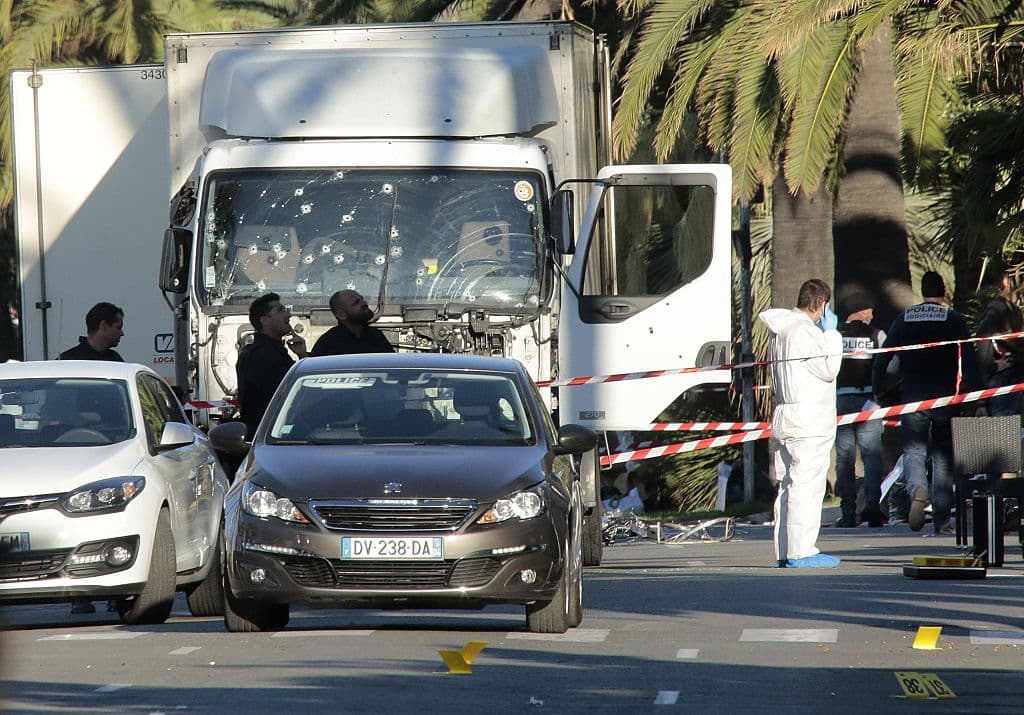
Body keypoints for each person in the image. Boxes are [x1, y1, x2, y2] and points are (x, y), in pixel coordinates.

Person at [872, 271, 980, 534]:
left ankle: (918, 489)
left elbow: (883, 357)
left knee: (914, 452)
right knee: (943, 456)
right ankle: (942, 520)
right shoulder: (953, 319)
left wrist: (879, 391)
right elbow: (969, 357)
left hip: (912, 398)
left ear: (922, 291)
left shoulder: (905, 318)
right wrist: (976, 394)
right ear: (943, 293)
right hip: (945, 397)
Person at [759, 279, 844, 568]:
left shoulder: (781, 331)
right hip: (808, 420)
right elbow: (829, 367)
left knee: (788, 486)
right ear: (821, 304)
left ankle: (785, 551)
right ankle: (802, 551)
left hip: (786, 416)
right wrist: (831, 333)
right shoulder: (804, 331)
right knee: (807, 485)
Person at [834, 292, 887, 528]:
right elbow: (888, 365)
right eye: (871, 310)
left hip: (840, 402)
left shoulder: (833, 335)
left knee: (844, 459)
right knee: (872, 457)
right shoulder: (876, 334)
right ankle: (872, 509)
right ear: (863, 311)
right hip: (868, 402)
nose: (873, 314)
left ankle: (847, 513)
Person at [236, 293, 307, 436]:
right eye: (280, 310)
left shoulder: (271, 351)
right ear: (265, 320)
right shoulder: (262, 355)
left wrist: (302, 355)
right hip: (271, 434)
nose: (288, 315)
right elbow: (291, 393)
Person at [976, 272, 1024, 417]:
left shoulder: (1014, 310)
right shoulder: (996, 309)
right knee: (1001, 430)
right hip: (1001, 378)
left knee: (1009, 430)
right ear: (1005, 281)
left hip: (1014, 377)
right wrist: (993, 366)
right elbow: (983, 339)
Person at [310, 290, 394, 356]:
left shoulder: (376, 336)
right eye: (356, 303)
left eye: (362, 299)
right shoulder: (328, 343)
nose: (364, 303)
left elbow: (394, 366)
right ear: (341, 315)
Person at [59, 302, 124, 361]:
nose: (122, 333)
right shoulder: (67, 361)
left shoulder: (115, 359)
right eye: (118, 327)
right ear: (103, 325)